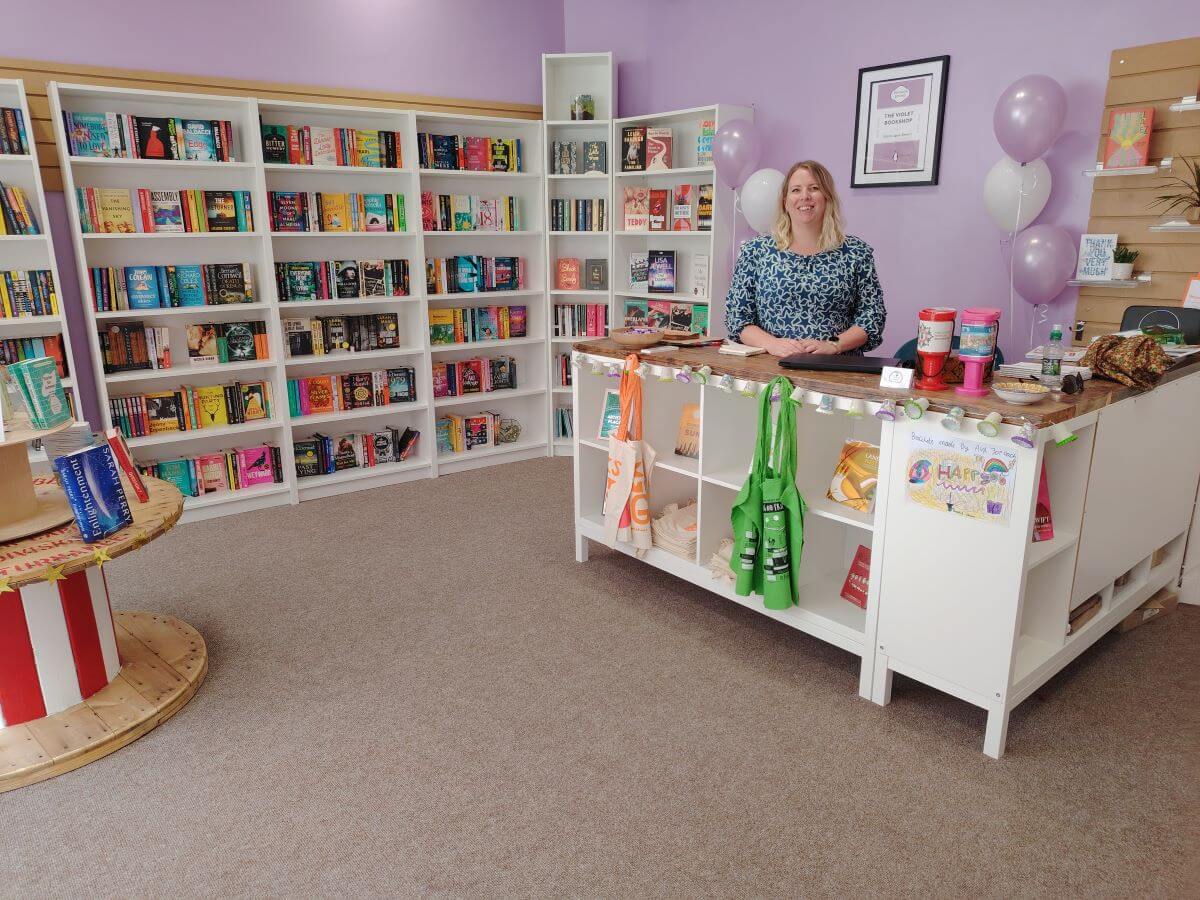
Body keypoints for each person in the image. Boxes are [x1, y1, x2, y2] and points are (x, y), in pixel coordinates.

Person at [725, 160, 886, 357]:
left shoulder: (856, 252)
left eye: (814, 188)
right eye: (796, 190)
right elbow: (737, 318)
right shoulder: (755, 251)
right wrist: (772, 344)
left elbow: (872, 316)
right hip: (770, 369)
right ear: (785, 201)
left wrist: (833, 344)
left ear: (827, 197)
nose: (805, 196)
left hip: (836, 371)